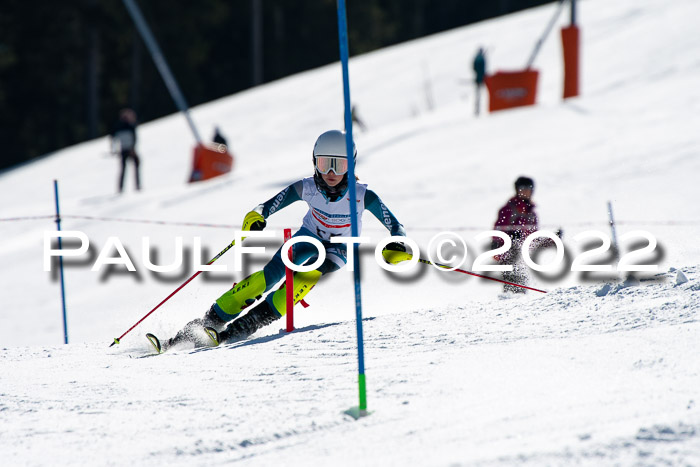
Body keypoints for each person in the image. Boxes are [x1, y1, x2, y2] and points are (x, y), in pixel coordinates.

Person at [147, 130, 407, 352]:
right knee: (266, 278)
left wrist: (398, 242)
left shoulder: (363, 195)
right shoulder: (307, 187)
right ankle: (202, 327)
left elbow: (396, 225)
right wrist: (258, 215)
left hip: (338, 250)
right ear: (314, 162)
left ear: (351, 165)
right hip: (309, 237)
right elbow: (268, 205)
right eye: (324, 163)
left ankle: (240, 329)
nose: (330, 172)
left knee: (302, 281)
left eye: (338, 165)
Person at [491, 176, 554, 293]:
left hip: (523, 257)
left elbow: (533, 238)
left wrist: (550, 241)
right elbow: (498, 230)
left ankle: (519, 304)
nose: (525, 191)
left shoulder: (531, 213)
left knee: (521, 286)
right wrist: (503, 242)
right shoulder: (509, 209)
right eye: (522, 188)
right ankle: (509, 302)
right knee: (513, 285)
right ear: (517, 190)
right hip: (509, 254)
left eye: (528, 188)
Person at [110, 108, 141, 193]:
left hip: (125, 149)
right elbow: (134, 138)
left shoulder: (119, 126)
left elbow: (112, 138)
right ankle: (135, 187)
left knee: (125, 168)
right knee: (126, 168)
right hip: (127, 149)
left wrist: (113, 149)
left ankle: (123, 188)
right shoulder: (129, 125)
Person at [472, 47, 486, 116]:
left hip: (478, 78)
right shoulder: (481, 59)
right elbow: (482, 69)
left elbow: (474, 68)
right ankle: (479, 110)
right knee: (482, 94)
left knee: (478, 94)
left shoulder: (477, 58)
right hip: (481, 79)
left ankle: (477, 110)